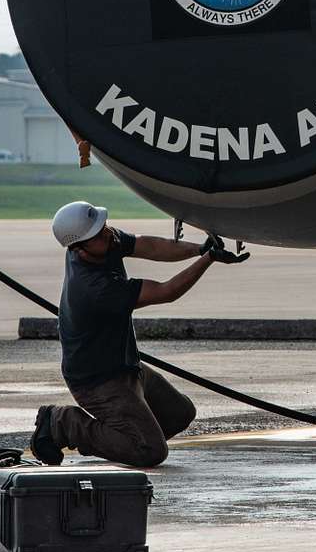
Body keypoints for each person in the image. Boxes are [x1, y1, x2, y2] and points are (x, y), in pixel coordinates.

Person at [30, 200, 248, 468]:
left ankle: (127, 438)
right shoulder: (94, 288)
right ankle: (62, 422)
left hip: (126, 366)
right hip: (98, 381)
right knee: (150, 451)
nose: (108, 233)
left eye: (105, 226)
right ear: (79, 249)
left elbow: (149, 246)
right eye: (99, 233)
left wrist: (199, 249)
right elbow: (166, 291)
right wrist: (209, 259)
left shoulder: (101, 243)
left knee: (179, 415)